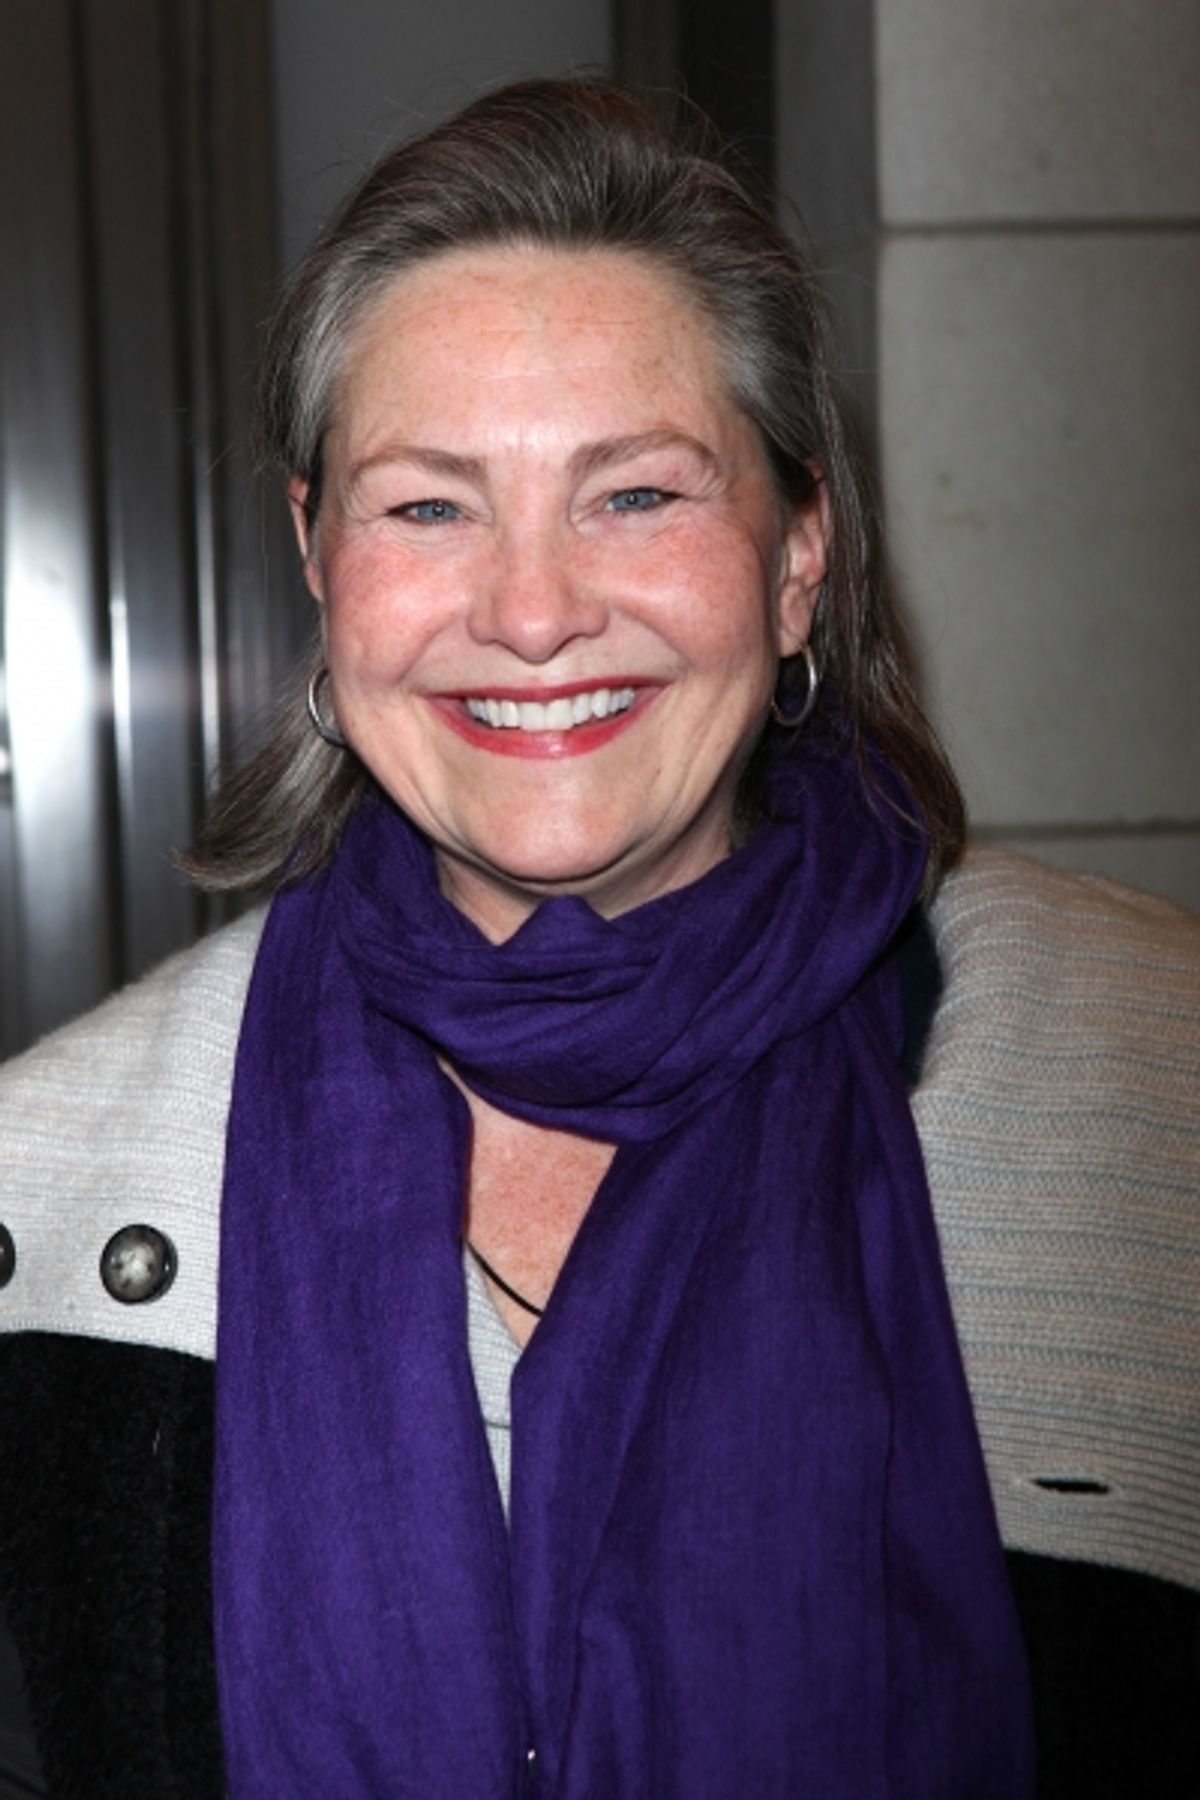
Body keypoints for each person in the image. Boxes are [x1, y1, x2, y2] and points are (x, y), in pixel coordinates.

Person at [3, 73, 1142, 1797]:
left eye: (638, 497)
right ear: (319, 558)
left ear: (798, 553)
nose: (533, 614)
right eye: (427, 504)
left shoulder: (1153, 1099)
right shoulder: (45, 1182)